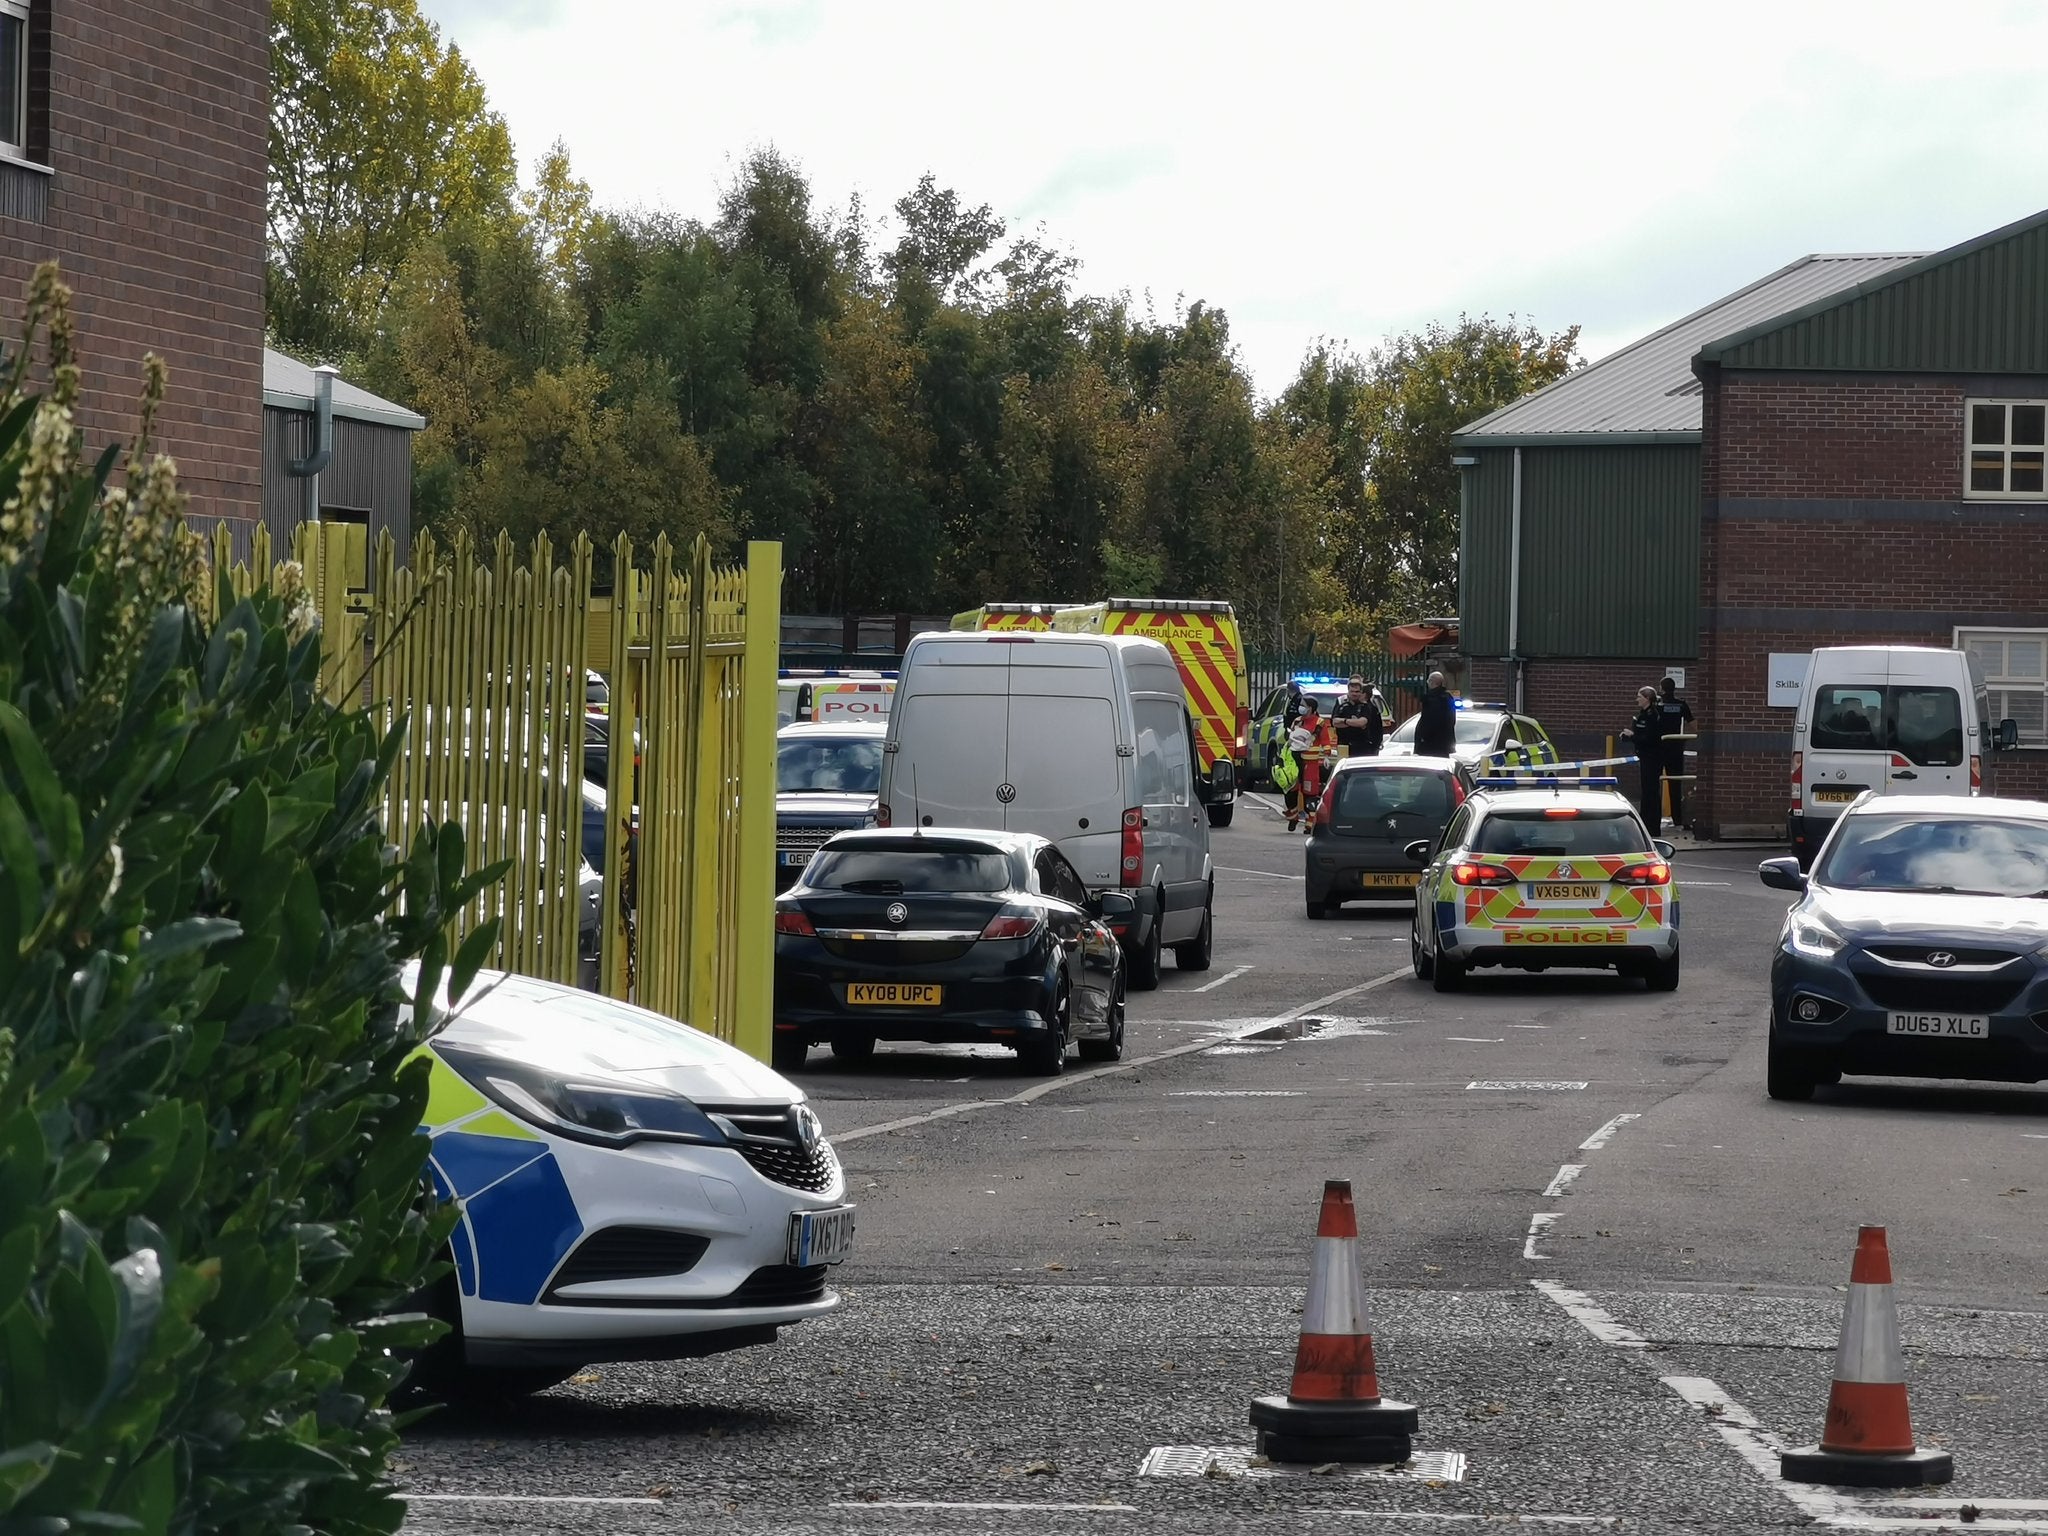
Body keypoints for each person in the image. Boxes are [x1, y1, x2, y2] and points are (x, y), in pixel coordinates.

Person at [1285, 695, 1336, 832]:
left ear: (1311, 708)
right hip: (1294, 761)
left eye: (1303, 705)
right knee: (1290, 791)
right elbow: (1290, 738)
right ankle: (1293, 816)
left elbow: (1325, 741)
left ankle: (1310, 822)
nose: (1300, 707)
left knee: (1310, 794)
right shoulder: (1297, 721)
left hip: (1311, 764)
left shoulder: (1319, 723)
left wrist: (1326, 755)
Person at [1657, 676, 1696, 829]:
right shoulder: (1681, 705)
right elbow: (1693, 723)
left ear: (1661, 688)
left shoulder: (1658, 705)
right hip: (1676, 748)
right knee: (1676, 783)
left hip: (1659, 747)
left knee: (1654, 783)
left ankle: (1653, 818)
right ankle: (1678, 819)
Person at [1629, 685, 1665, 832]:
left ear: (1647, 699)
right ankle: (1646, 823)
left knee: (1651, 792)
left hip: (1652, 758)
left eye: (1639, 696)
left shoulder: (1652, 716)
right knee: (1647, 791)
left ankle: (1652, 826)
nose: (1637, 699)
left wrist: (1632, 736)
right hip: (1645, 756)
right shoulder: (1643, 714)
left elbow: (1650, 738)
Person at [1332, 676, 1383, 760]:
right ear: (1348, 691)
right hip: (1344, 745)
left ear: (1361, 692)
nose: (1354, 694)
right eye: (1352, 691)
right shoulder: (1342, 705)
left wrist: (1344, 722)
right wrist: (1352, 722)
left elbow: (1362, 722)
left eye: (1357, 691)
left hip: (1362, 747)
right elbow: (1335, 722)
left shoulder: (1366, 707)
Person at [1414, 671, 1457, 758]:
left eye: (1428, 681)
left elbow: (1429, 721)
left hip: (1429, 745)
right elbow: (1451, 720)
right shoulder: (1448, 698)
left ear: (1432, 682)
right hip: (1444, 744)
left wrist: (1422, 737)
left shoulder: (1431, 699)